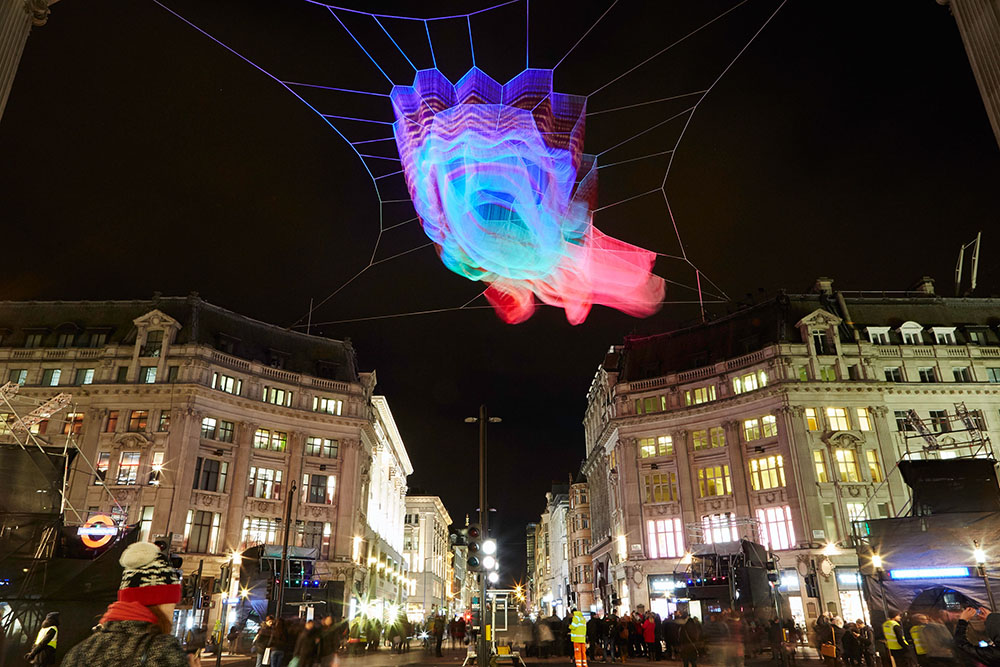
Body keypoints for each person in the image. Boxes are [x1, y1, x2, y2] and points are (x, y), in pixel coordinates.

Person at [61, 541, 191, 667]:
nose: (172, 611)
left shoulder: (79, 652)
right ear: (159, 603)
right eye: (171, 604)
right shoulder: (163, 650)